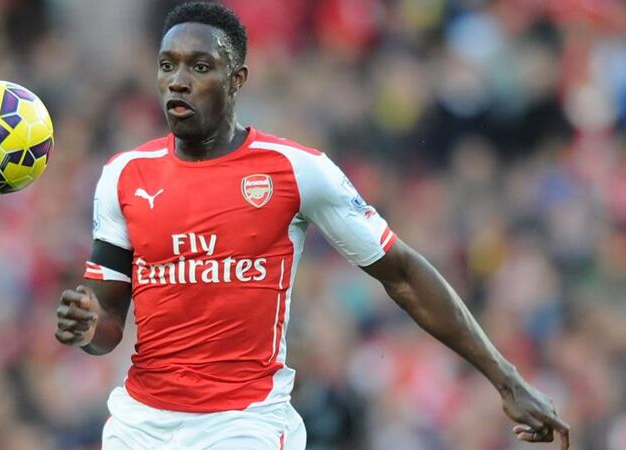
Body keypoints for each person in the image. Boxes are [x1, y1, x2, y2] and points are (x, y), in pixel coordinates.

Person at [55, 2, 571, 449]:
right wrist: (86, 326)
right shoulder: (123, 175)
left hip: (244, 424)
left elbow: (403, 274)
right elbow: (108, 325)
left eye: (200, 66)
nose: (179, 80)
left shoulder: (296, 170)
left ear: (237, 79)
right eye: (167, 65)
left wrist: (506, 379)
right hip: (139, 425)